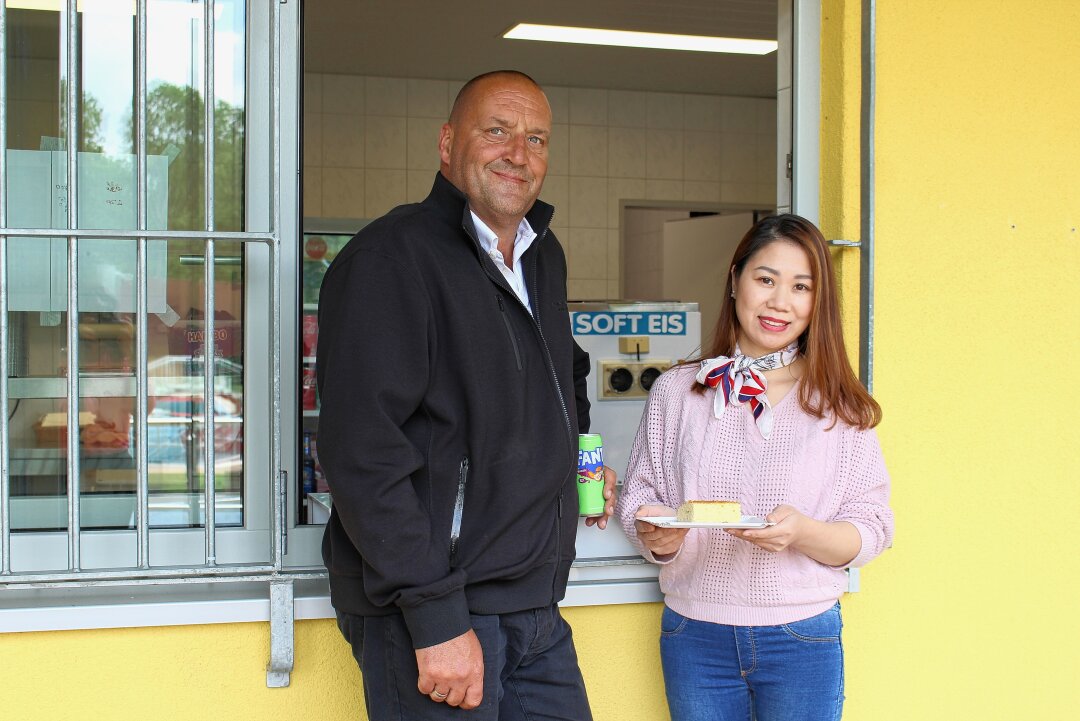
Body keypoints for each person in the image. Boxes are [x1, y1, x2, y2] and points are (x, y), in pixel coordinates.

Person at [316, 70, 615, 720]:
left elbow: (566, 374)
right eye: (498, 131)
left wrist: (581, 463)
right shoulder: (389, 261)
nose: (519, 152)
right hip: (440, 607)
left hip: (534, 607)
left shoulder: (542, 253)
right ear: (448, 142)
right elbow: (360, 455)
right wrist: (434, 615)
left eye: (536, 138)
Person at [615, 214, 894, 721]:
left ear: (817, 302)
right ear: (735, 279)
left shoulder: (839, 405)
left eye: (801, 286)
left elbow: (872, 530)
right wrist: (656, 535)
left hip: (801, 636)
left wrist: (803, 533)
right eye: (765, 279)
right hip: (693, 633)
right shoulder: (678, 391)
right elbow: (640, 496)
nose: (779, 302)